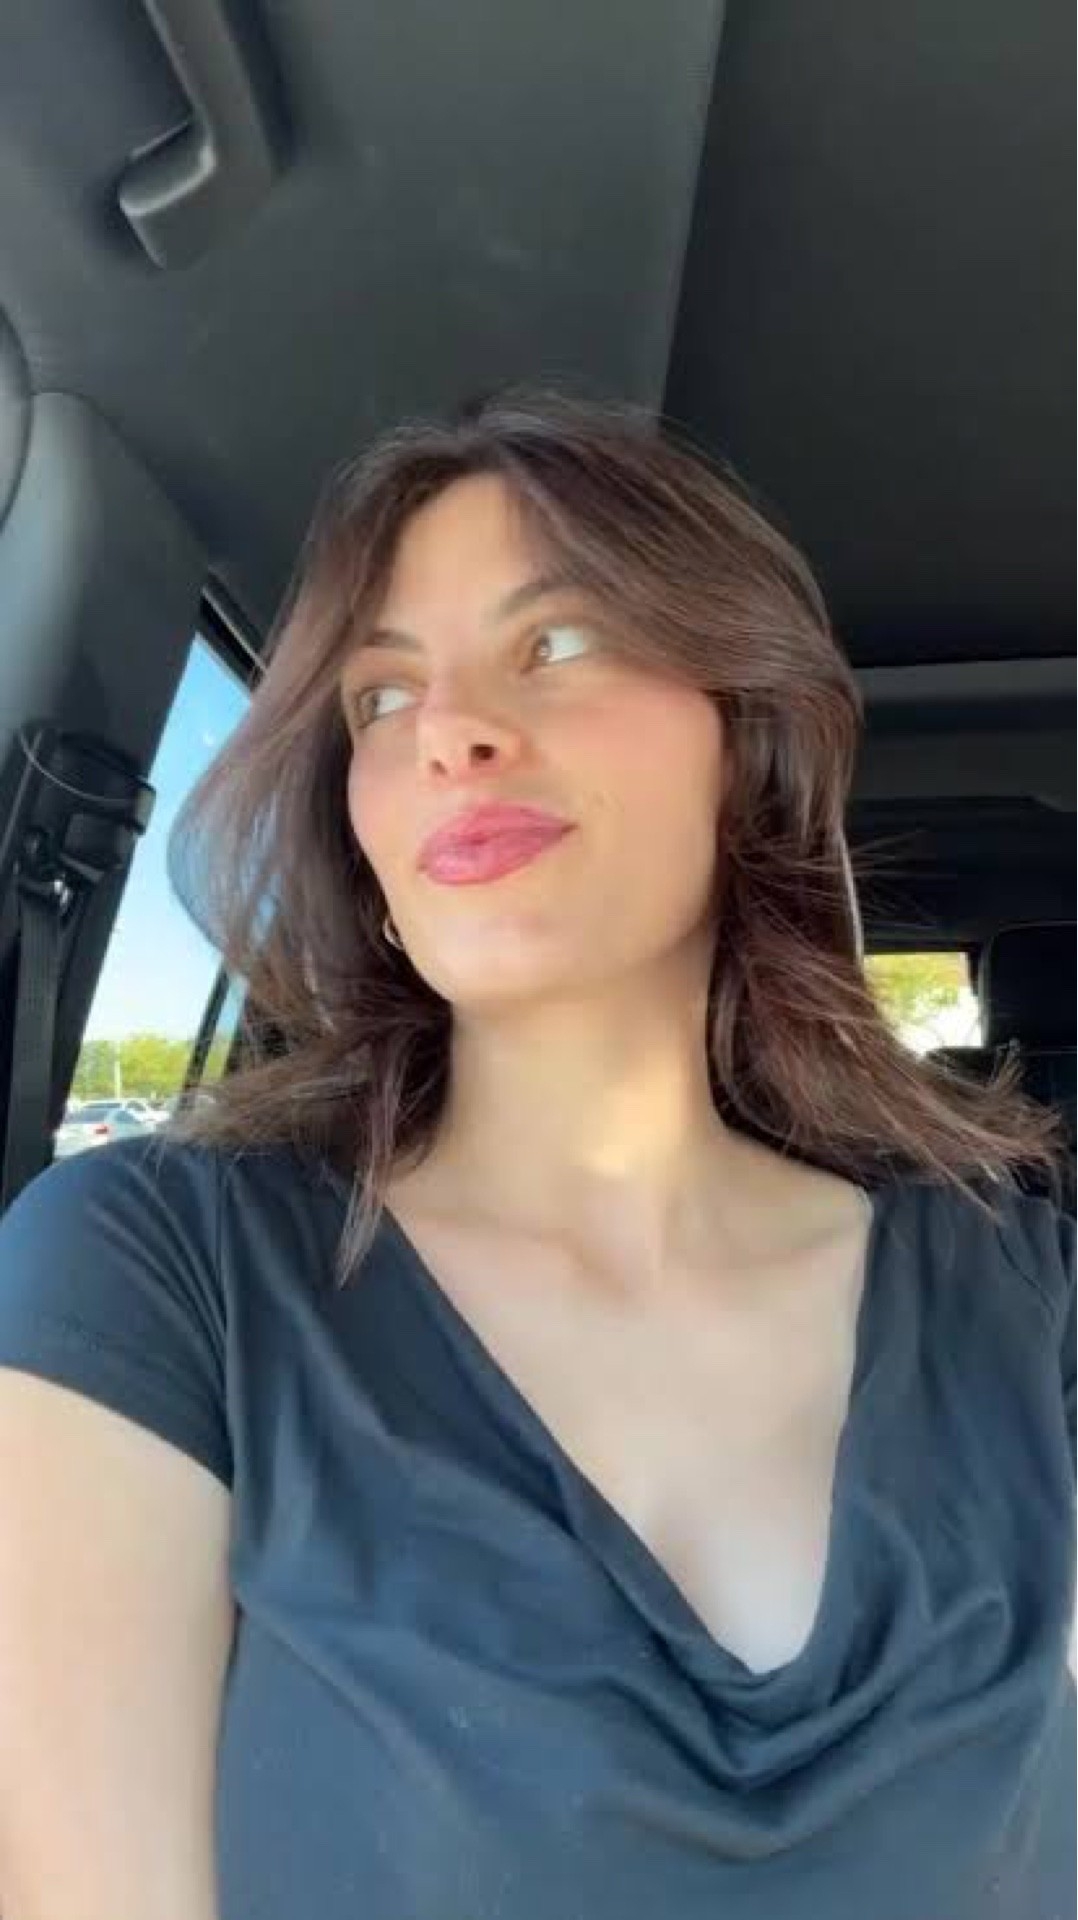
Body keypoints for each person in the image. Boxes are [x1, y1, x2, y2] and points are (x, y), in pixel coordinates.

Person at [0, 391, 1073, 1920]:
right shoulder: (153, 1272)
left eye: (555, 642)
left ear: (741, 737)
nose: (449, 730)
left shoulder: (1024, 1304)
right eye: (381, 696)